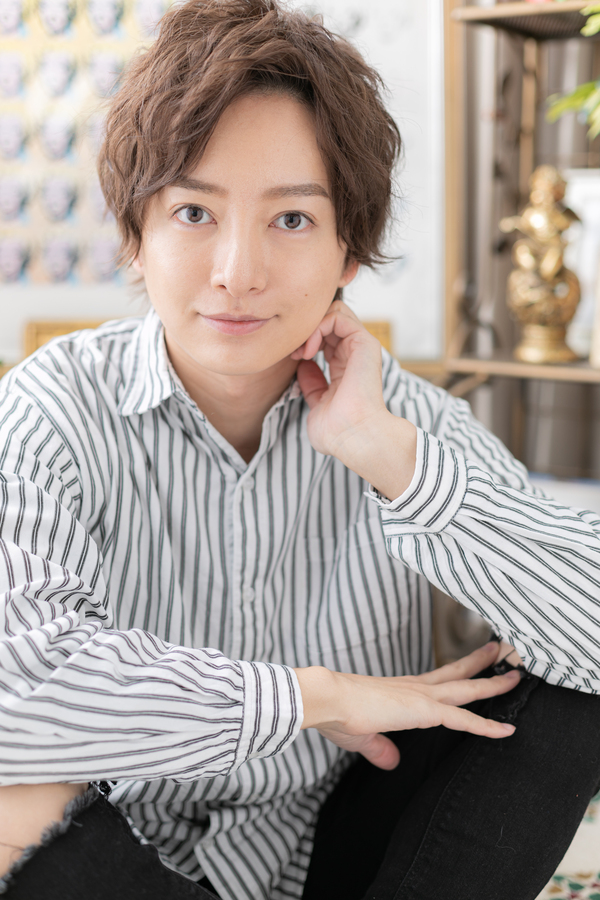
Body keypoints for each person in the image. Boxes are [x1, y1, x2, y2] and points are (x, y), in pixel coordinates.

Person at [0, 2, 599, 898]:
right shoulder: (52, 409)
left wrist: (383, 454)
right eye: (194, 211)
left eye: (291, 220)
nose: (237, 273)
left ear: (349, 252)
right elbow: (15, 689)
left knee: (570, 678)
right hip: (126, 856)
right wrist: (307, 697)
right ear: (136, 237)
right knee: (14, 794)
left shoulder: (401, 417)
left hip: (343, 848)